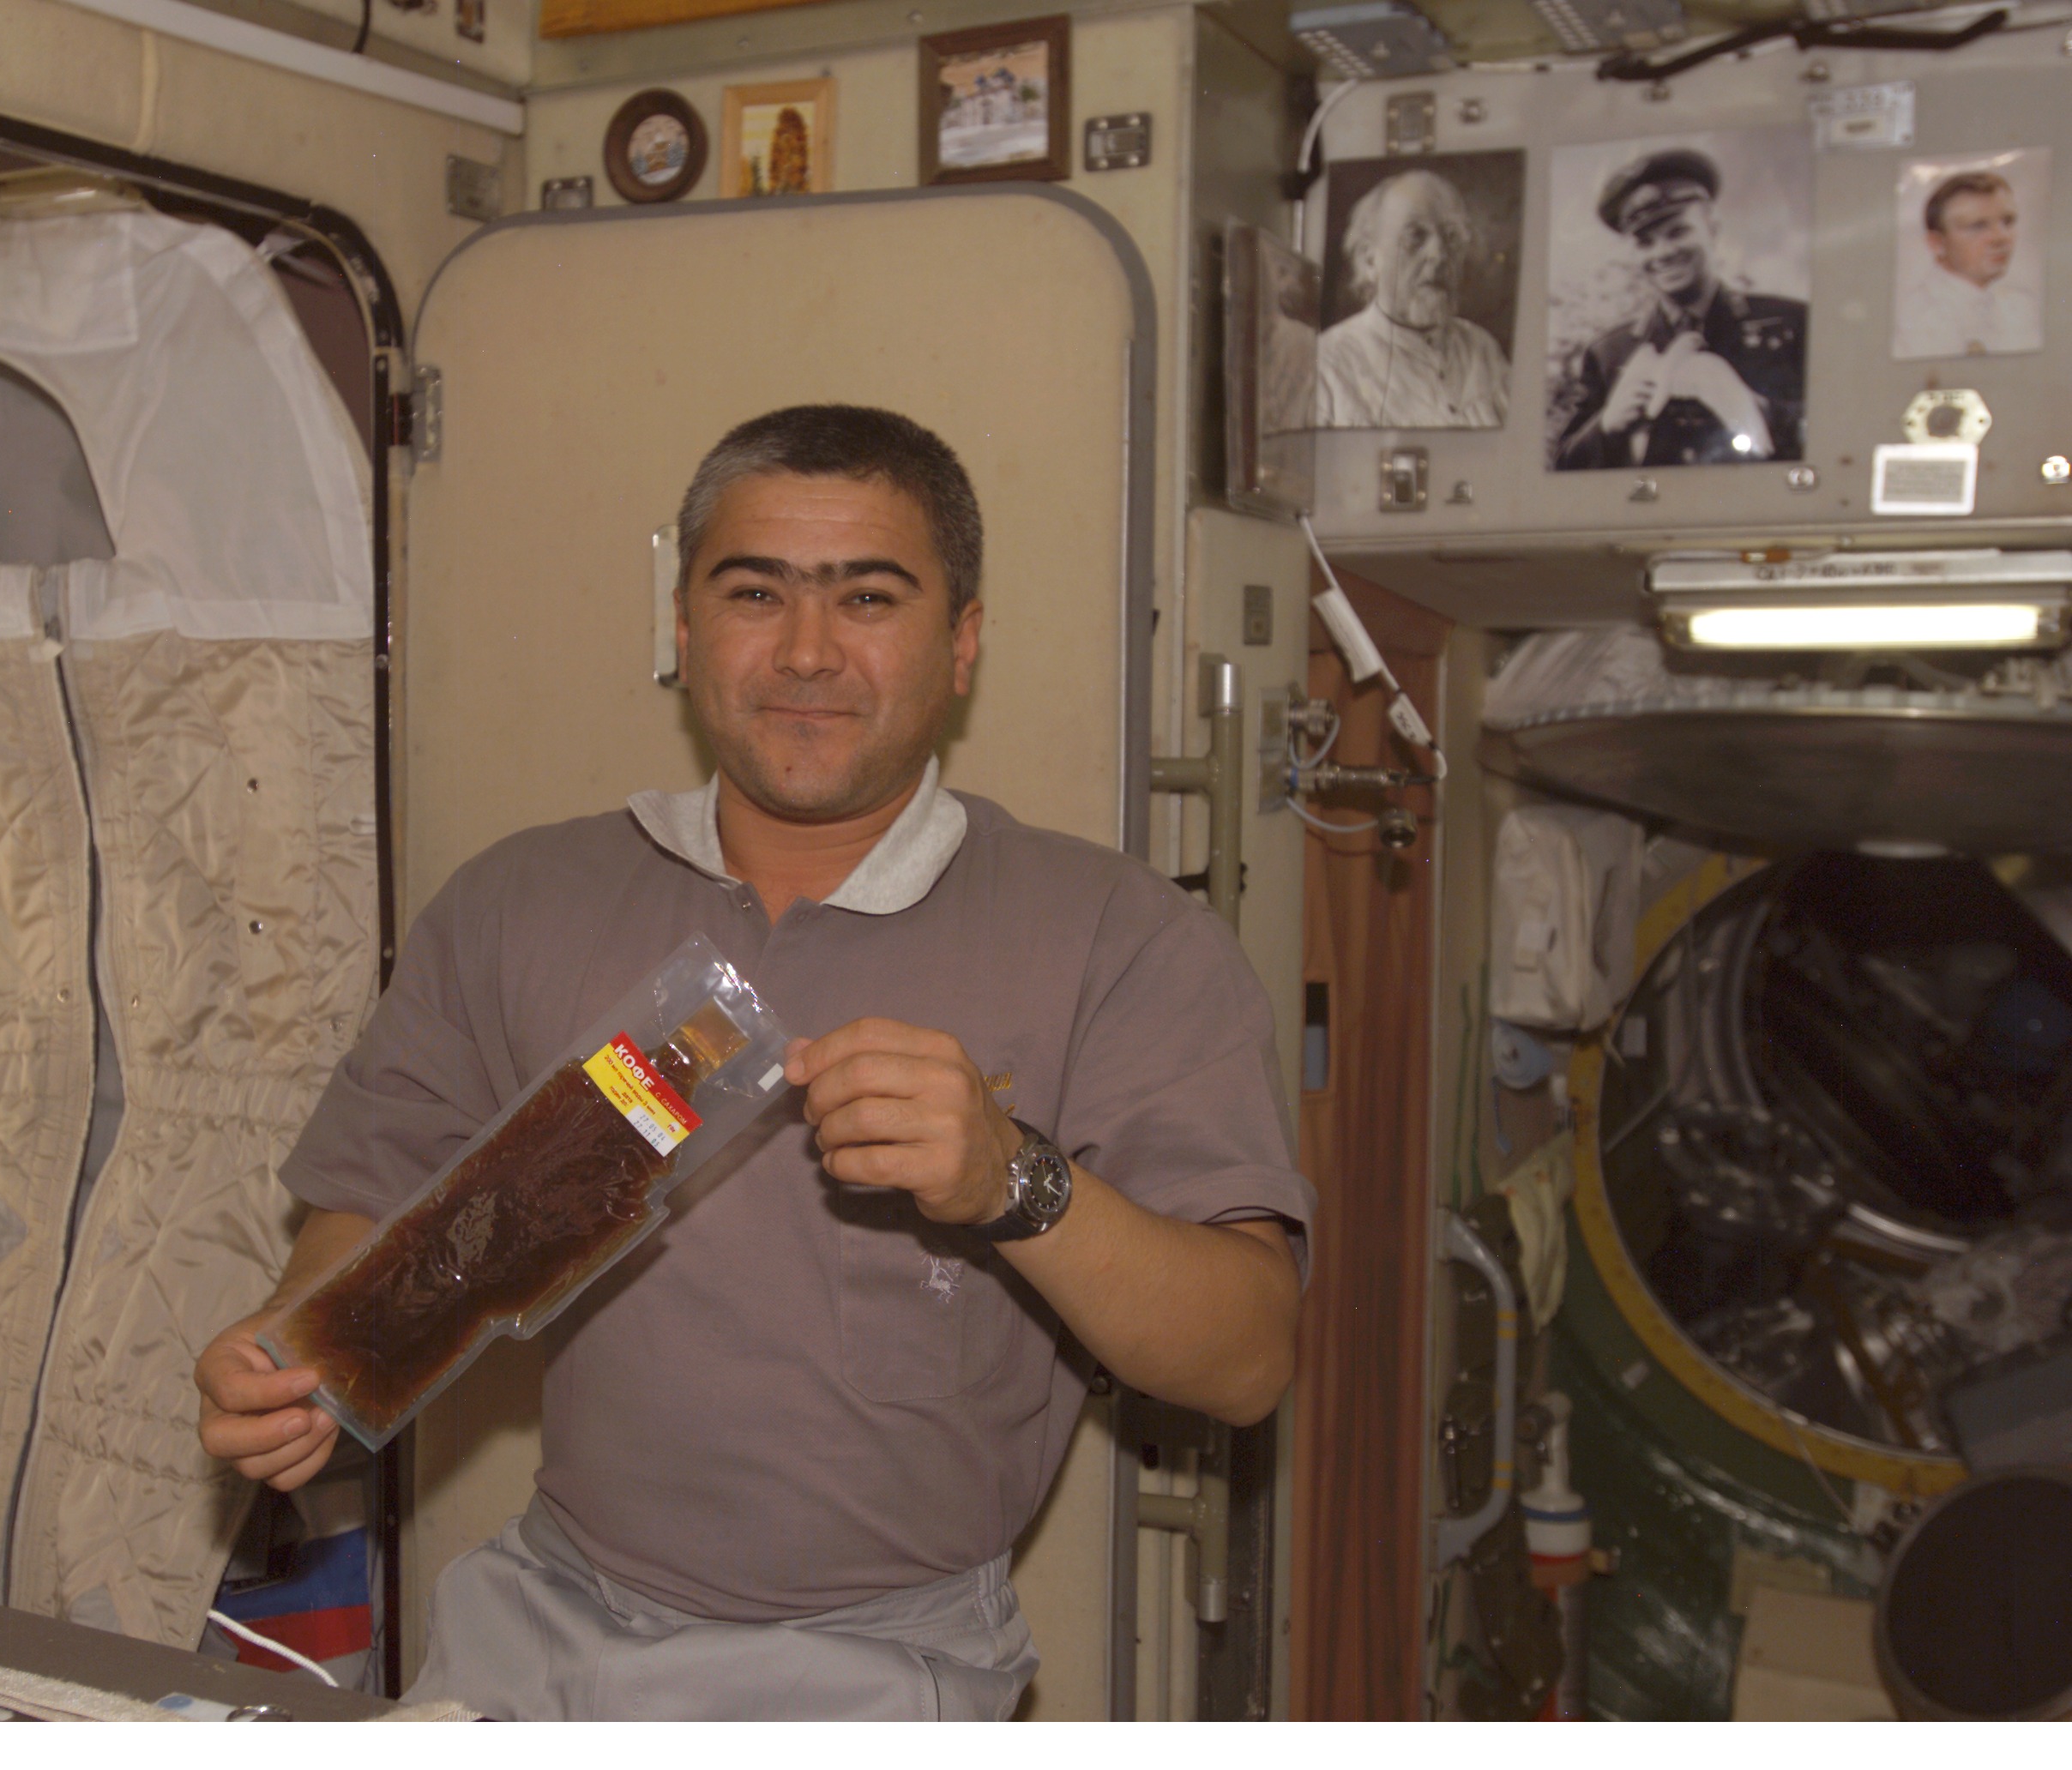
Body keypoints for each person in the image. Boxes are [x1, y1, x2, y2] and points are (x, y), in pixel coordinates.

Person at [194, 406, 1310, 1720]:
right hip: (535, 1624)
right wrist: (297, 1359)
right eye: (754, 593)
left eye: (868, 598)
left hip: (884, 1666)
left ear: (962, 642)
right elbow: (369, 1201)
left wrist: (1016, 1179)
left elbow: (1247, 1358)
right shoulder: (519, 902)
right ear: (684, 628)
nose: (806, 651)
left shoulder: (1119, 938)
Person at [1553, 148, 1807, 471]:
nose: (1663, 253)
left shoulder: (1791, 323)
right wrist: (1606, 426)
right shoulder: (1609, 354)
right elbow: (1560, 468)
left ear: (1712, 228)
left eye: (1678, 232)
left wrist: (1758, 408)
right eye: (1645, 242)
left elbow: (1842, 435)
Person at [1316, 167, 1512, 430]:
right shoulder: (1327, 363)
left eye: (1452, 236)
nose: (1439, 254)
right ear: (1370, 260)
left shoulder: (1482, 350)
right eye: (1416, 236)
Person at [1900, 168, 2041, 359]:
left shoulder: (2024, 308)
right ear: (1937, 243)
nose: (2002, 237)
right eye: (1978, 226)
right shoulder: (1910, 319)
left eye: (2007, 222)